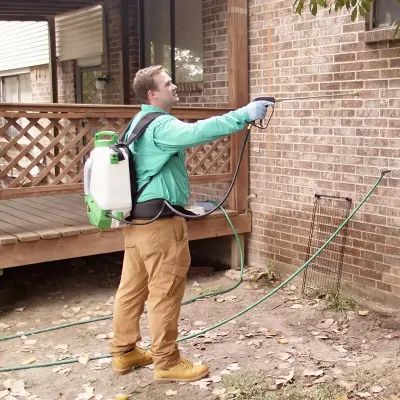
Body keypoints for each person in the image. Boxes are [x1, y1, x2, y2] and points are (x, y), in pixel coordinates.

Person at [109, 65, 272, 383]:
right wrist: (244, 114)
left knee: (131, 289)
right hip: (159, 226)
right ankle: (167, 362)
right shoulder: (161, 125)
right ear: (152, 94)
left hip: (137, 221)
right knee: (165, 291)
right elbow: (198, 132)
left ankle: (124, 351)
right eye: (167, 83)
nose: (175, 86)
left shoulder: (138, 123)